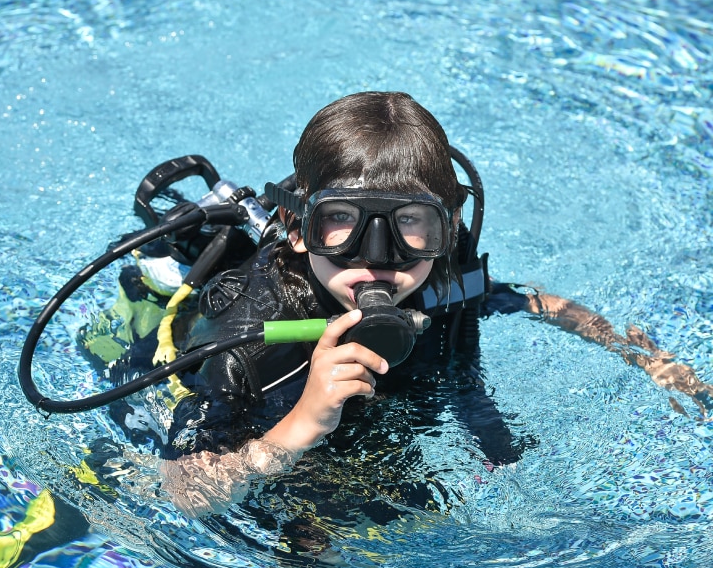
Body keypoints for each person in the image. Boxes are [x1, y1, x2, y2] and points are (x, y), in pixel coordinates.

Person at [82, 92, 712, 524]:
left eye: (410, 223)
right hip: (269, 433)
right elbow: (185, 492)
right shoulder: (251, 332)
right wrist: (303, 422)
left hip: (387, 416)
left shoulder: (440, 273)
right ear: (297, 226)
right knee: (315, 536)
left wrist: (643, 357)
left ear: (448, 226)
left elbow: (536, 302)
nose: (378, 259)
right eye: (342, 223)